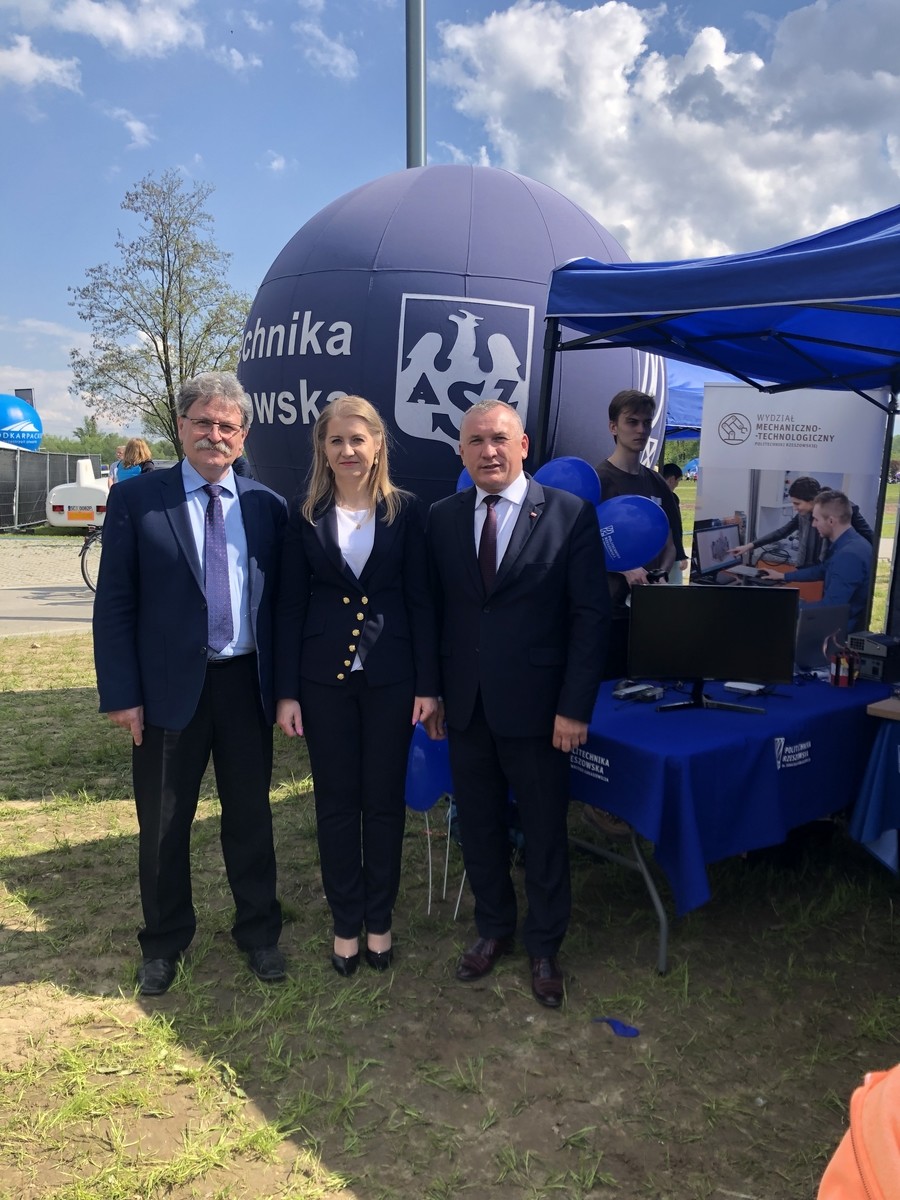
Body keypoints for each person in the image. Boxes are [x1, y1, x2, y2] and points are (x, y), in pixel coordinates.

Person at [92, 371, 287, 996]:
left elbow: (281, 608)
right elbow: (115, 603)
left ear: (243, 435)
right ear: (180, 427)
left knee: (250, 818)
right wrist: (122, 693)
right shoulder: (137, 501)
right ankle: (164, 941)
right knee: (164, 824)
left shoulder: (267, 506)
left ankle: (259, 932)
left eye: (227, 426)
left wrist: (286, 689)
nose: (215, 435)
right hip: (167, 692)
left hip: (245, 687)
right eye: (203, 422)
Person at [425, 399, 609, 1009]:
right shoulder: (443, 518)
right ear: (461, 451)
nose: (489, 451)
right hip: (467, 707)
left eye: (500, 439)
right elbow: (433, 613)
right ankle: (493, 927)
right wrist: (433, 691)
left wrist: (575, 707)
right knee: (478, 827)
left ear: (523, 445)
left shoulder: (569, 514)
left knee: (544, 831)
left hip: (540, 711)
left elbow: (590, 619)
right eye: (476, 441)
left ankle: (545, 944)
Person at [275, 395, 439, 978]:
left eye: (357, 439)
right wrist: (287, 691)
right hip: (323, 681)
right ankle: (346, 922)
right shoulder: (304, 514)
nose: (347, 450)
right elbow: (289, 605)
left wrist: (428, 684)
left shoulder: (407, 512)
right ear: (323, 449)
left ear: (377, 446)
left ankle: (379, 920)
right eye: (336, 440)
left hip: (393, 678)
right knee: (337, 803)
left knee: (384, 802)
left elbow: (422, 600)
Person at [595, 390, 679, 679]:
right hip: (607, 615)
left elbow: (669, 543)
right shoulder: (598, 481)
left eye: (647, 422)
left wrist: (661, 574)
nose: (641, 430)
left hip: (647, 614)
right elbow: (578, 546)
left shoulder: (657, 482)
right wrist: (624, 568)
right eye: (632, 422)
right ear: (613, 427)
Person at [760, 490, 873, 632]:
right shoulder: (850, 543)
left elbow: (830, 608)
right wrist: (783, 576)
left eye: (816, 519)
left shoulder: (849, 555)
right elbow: (823, 570)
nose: (813, 524)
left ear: (831, 521)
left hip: (839, 632)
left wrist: (786, 606)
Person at [733, 475, 874, 566]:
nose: (795, 508)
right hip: (813, 570)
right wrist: (749, 546)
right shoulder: (804, 514)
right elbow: (782, 532)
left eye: (797, 503)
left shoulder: (845, 510)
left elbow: (870, 538)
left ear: (812, 500)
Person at [660, 462, 689, 586]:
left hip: (654, 552)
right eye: (678, 480)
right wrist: (681, 555)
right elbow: (675, 526)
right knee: (674, 586)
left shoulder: (652, 495)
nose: (677, 484)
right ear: (672, 479)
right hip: (670, 552)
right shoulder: (671, 498)